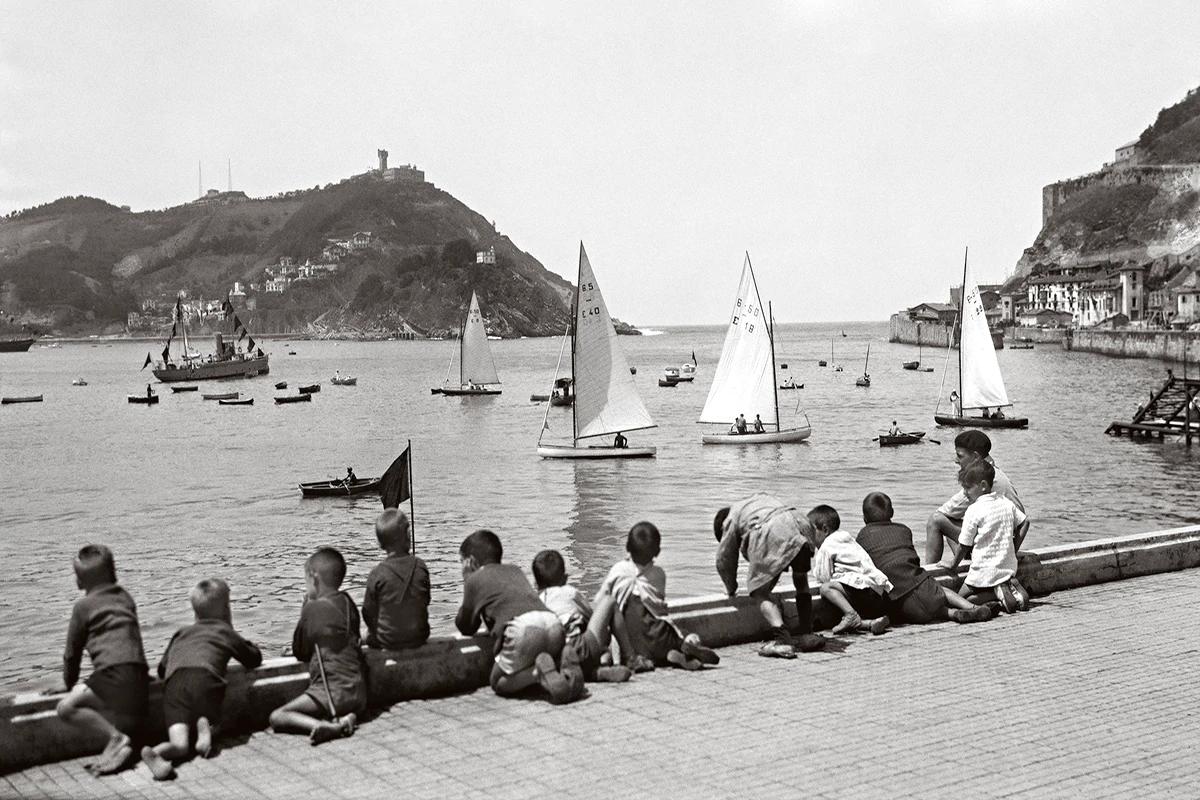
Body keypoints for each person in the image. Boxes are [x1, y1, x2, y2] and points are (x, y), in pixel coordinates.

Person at [140, 579, 262, 780]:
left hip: (174, 685)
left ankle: (157, 753)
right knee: (214, 719)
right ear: (226, 610)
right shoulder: (225, 632)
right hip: (205, 679)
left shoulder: (181, 633)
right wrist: (235, 632)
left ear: (195, 612)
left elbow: (162, 670)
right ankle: (208, 728)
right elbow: (253, 658)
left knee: (179, 744)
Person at [456, 529, 583, 704]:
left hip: (524, 630)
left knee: (497, 682)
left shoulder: (474, 579)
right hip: (553, 624)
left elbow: (466, 626)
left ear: (471, 561)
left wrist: (467, 578)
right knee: (538, 653)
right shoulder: (515, 570)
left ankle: (539, 673)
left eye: (462, 562)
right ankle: (559, 666)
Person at [57, 544, 150, 776]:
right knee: (130, 730)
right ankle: (127, 748)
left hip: (112, 676)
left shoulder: (83, 607)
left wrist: (68, 684)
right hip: (138, 677)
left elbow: (72, 653)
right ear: (114, 573)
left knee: (65, 708)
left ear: (79, 582)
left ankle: (115, 737)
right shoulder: (126, 598)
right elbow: (132, 638)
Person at [269, 548, 366, 745]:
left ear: (314, 579)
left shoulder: (312, 608)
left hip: (331, 693)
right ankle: (349, 718)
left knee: (277, 716)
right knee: (344, 705)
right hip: (359, 692)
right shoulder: (348, 603)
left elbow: (301, 651)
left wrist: (305, 610)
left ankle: (322, 726)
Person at [715, 493, 826, 658]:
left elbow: (725, 560)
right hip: (800, 522)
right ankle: (807, 635)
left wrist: (731, 589)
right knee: (801, 580)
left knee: (759, 592)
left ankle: (782, 640)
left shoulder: (731, 518)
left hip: (771, 528)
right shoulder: (754, 501)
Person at [857, 492, 993, 625]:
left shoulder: (862, 537)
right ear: (892, 513)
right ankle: (970, 608)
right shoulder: (904, 530)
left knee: (920, 609)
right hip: (926, 588)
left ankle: (955, 614)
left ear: (864, 518)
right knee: (942, 594)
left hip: (900, 603)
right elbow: (913, 559)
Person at [601, 521, 719, 671]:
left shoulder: (618, 570)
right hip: (660, 636)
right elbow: (658, 608)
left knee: (639, 641)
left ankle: (664, 655)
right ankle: (683, 648)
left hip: (631, 642)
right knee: (684, 636)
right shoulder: (658, 574)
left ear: (628, 548)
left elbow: (602, 599)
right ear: (656, 552)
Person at [925, 430, 1025, 565]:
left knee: (936, 521)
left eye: (960, 456)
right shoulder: (993, 472)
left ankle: (928, 572)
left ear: (976, 457)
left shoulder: (980, 480)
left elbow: (944, 511)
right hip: (1005, 539)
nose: (956, 461)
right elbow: (1023, 520)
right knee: (954, 522)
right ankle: (967, 562)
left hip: (996, 542)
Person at [532, 549, 632, 683]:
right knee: (609, 602)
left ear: (535, 584)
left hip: (553, 660)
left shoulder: (533, 601)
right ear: (565, 578)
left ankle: (593, 673)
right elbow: (591, 618)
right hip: (579, 651)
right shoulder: (569, 592)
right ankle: (630, 658)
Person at [949, 462, 1031, 613]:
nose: (965, 493)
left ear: (983, 485)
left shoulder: (973, 510)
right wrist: (1014, 547)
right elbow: (1025, 522)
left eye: (967, 488)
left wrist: (952, 565)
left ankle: (994, 595)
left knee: (960, 601)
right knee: (964, 601)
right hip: (1008, 569)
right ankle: (1006, 591)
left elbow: (964, 545)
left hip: (983, 571)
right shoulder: (1005, 502)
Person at [808, 505, 892, 635]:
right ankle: (870, 623)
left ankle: (850, 614)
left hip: (864, 594)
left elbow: (823, 576)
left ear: (825, 529)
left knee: (826, 588)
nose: (810, 538)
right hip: (878, 595)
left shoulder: (826, 546)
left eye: (812, 533)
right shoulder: (847, 539)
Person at [363, 509, 430, 650]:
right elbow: (425, 599)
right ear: (408, 536)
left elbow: (368, 613)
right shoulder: (420, 566)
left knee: (364, 637)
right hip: (419, 636)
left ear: (380, 544)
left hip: (388, 640)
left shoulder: (377, 573)